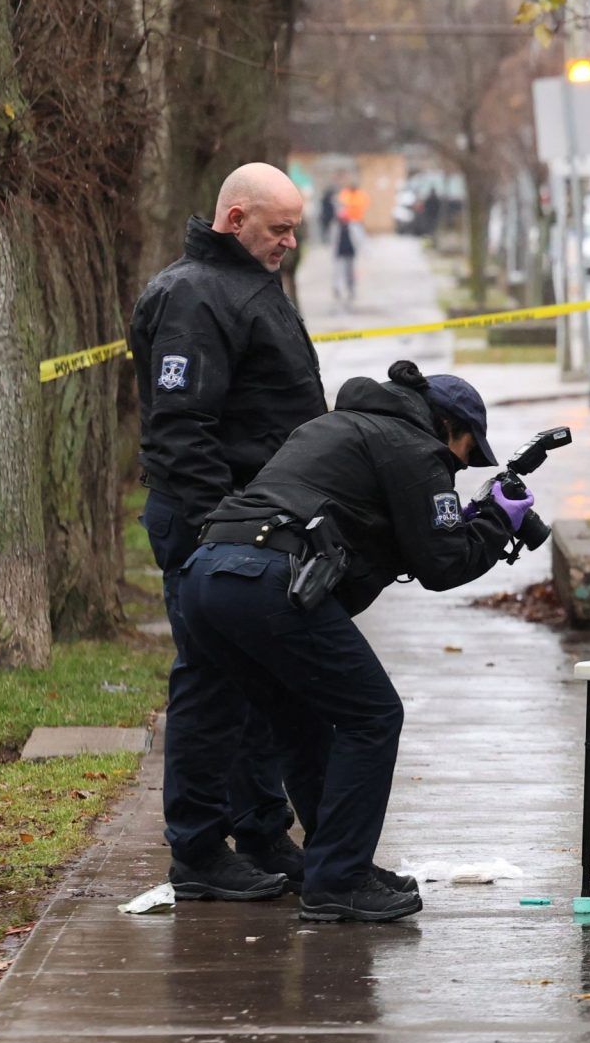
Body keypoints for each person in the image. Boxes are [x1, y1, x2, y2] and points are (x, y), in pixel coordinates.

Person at [177, 361, 530, 923]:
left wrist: (451, 518)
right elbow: (442, 564)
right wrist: (496, 524)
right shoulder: (416, 449)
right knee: (373, 714)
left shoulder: (333, 427)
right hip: (268, 580)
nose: (461, 467)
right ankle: (338, 879)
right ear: (446, 425)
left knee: (300, 716)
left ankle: (337, 866)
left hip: (207, 573)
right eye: (466, 452)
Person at [129, 162, 327, 902]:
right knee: (212, 685)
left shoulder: (240, 285)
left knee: (258, 681)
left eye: (295, 229)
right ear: (235, 218)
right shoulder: (194, 295)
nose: (290, 243)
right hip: (213, 525)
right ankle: (200, 849)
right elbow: (182, 430)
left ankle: (261, 828)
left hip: (252, 522)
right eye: (279, 229)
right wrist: (226, 528)